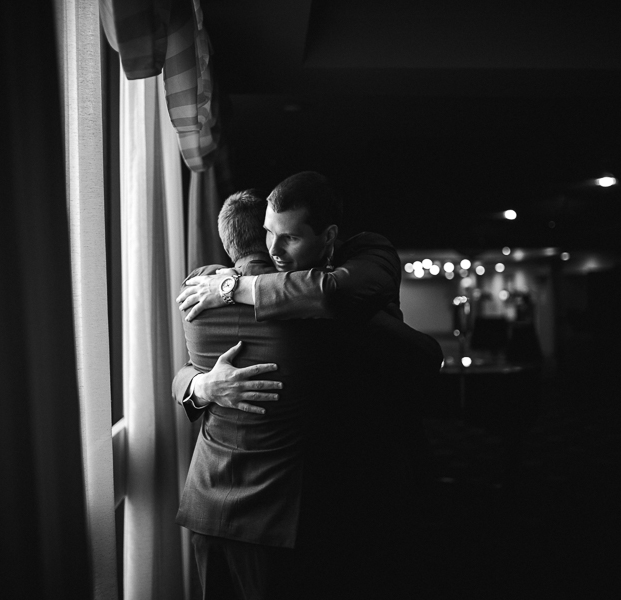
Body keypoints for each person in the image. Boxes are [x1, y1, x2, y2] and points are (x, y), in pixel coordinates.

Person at [176, 173, 442, 598]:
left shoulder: (362, 261)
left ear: (328, 235)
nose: (274, 250)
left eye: (290, 239)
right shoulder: (218, 293)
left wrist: (231, 286)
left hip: (343, 479)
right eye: (268, 234)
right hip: (278, 509)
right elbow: (185, 372)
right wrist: (204, 386)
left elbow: (333, 294)